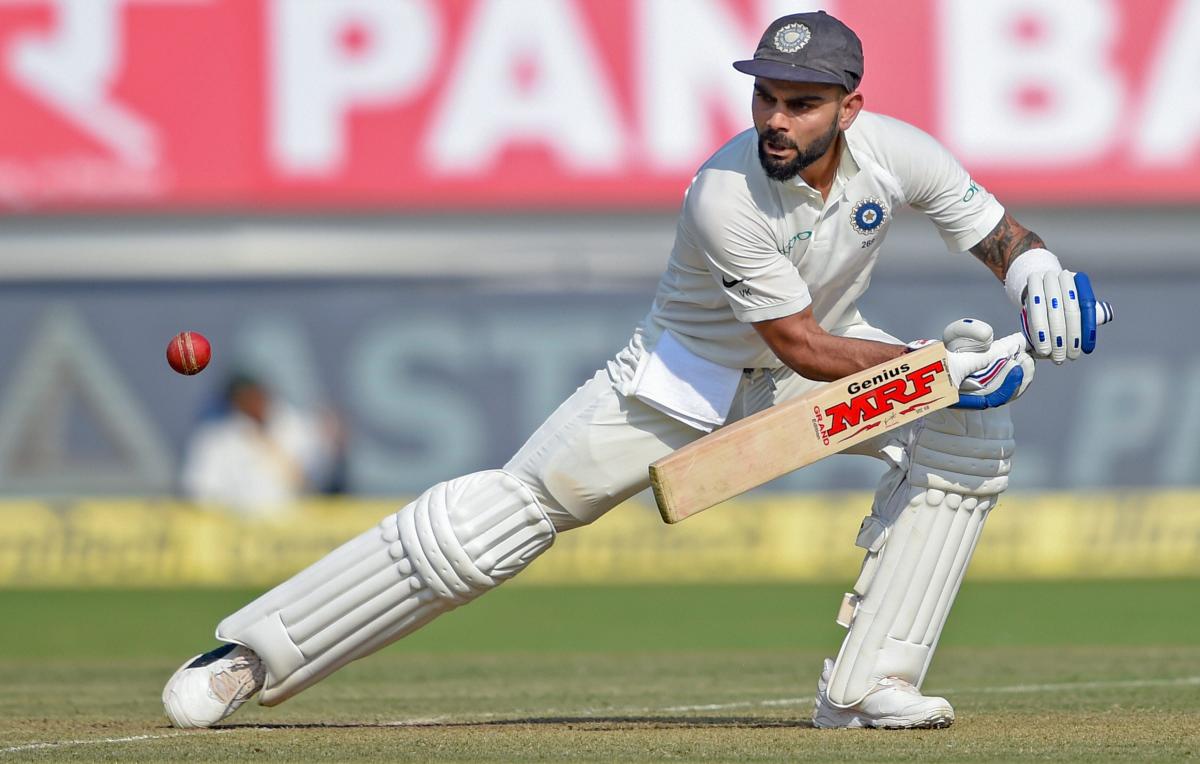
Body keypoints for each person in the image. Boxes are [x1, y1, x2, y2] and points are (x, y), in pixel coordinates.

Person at [162, 11, 1101, 730]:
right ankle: (248, 658)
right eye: (765, 96)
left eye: (801, 102)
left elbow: (996, 233)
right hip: (673, 383)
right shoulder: (724, 192)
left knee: (969, 430)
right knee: (494, 525)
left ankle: (869, 689)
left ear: (849, 109)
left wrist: (1036, 274)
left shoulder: (899, 155)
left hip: (812, 369)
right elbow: (800, 346)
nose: (776, 118)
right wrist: (937, 365)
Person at [180, 373, 344, 516]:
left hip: (296, 534)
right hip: (241, 535)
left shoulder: (297, 427)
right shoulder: (218, 440)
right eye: (243, 398)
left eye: (254, 395)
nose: (251, 402)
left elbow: (318, 473)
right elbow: (202, 491)